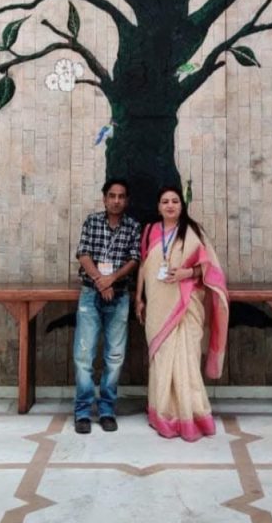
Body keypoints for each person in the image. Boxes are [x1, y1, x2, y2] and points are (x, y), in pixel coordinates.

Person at [135, 186, 229, 442]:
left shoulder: (193, 232)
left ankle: (191, 414)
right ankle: (162, 412)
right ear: (158, 206)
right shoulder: (149, 231)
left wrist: (188, 273)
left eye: (175, 201)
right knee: (162, 358)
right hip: (157, 304)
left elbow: (209, 267)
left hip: (186, 306)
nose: (170, 205)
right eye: (165, 201)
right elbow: (143, 265)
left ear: (181, 205)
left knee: (186, 359)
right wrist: (138, 298)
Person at [73, 178, 141, 434]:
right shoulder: (92, 222)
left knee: (114, 357)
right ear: (104, 198)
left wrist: (111, 279)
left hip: (119, 296)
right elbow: (83, 253)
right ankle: (82, 412)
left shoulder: (133, 226)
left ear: (127, 200)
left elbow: (134, 258)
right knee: (84, 356)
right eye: (112, 196)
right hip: (90, 294)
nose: (116, 200)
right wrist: (101, 282)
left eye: (121, 196)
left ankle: (106, 410)